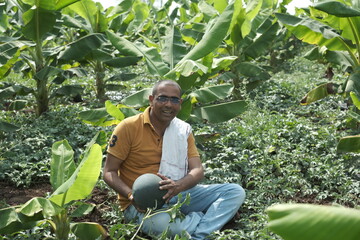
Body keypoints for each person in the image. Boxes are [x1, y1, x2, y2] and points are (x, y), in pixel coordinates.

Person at [103, 80, 246, 239]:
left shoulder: (182, 130)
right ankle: (207, 221)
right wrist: (131, 196)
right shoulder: (128, 127)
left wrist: (178, 186)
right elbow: (109, 172)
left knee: (234, 192)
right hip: (142, 204)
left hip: (177, 193)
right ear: (151, 100)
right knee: (174, 230)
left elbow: (197, 171)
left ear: (180, 103)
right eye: (162, 98)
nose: (168, 104)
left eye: (174, 100)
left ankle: (198, 232)